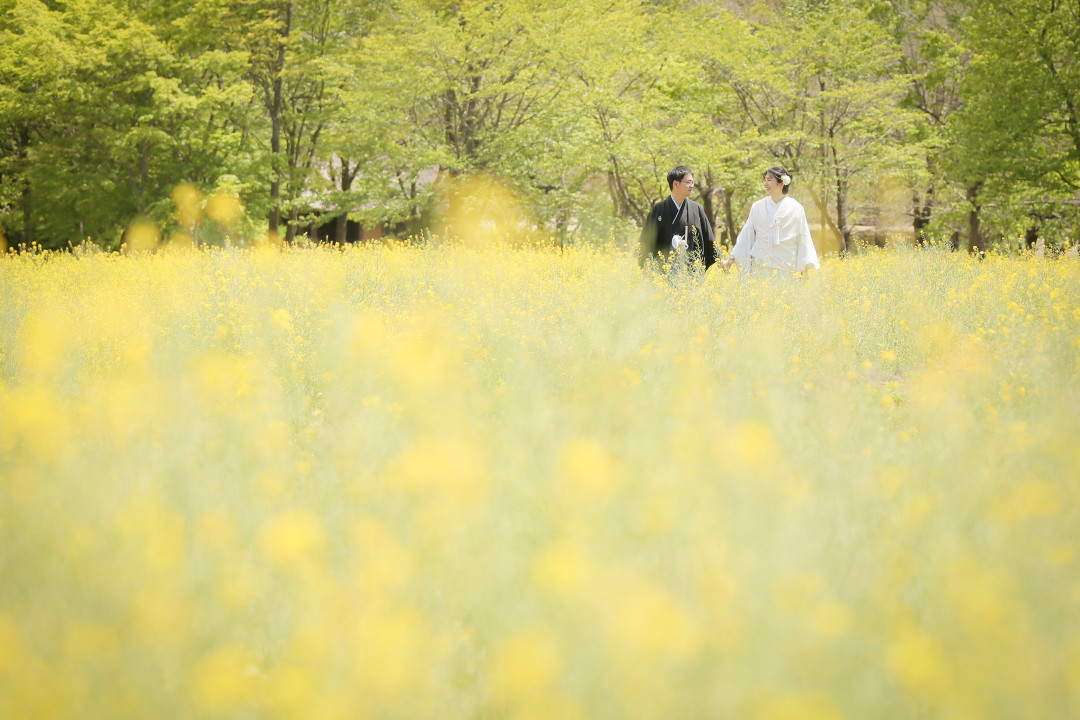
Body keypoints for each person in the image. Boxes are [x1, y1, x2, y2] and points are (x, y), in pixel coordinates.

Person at [723, 166, 820, 275]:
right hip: (762, 263)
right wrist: (732, 257)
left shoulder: (796, 208)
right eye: (765, 180)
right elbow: (747, 233)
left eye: (769, 180)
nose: (765, 183)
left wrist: (804, 267)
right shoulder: (758, 206)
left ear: (781, 183)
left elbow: (803, 236)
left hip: (787, 264)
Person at [638, 166, 718, 271]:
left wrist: (719, 259)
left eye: (692, 183)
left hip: (689, 270)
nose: (692, 186)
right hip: (663, 270)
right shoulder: (658, 209)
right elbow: (646, 240)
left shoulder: (696, 209)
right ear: (676, 184)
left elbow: (709, 238)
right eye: (688, 182)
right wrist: (645, 264)